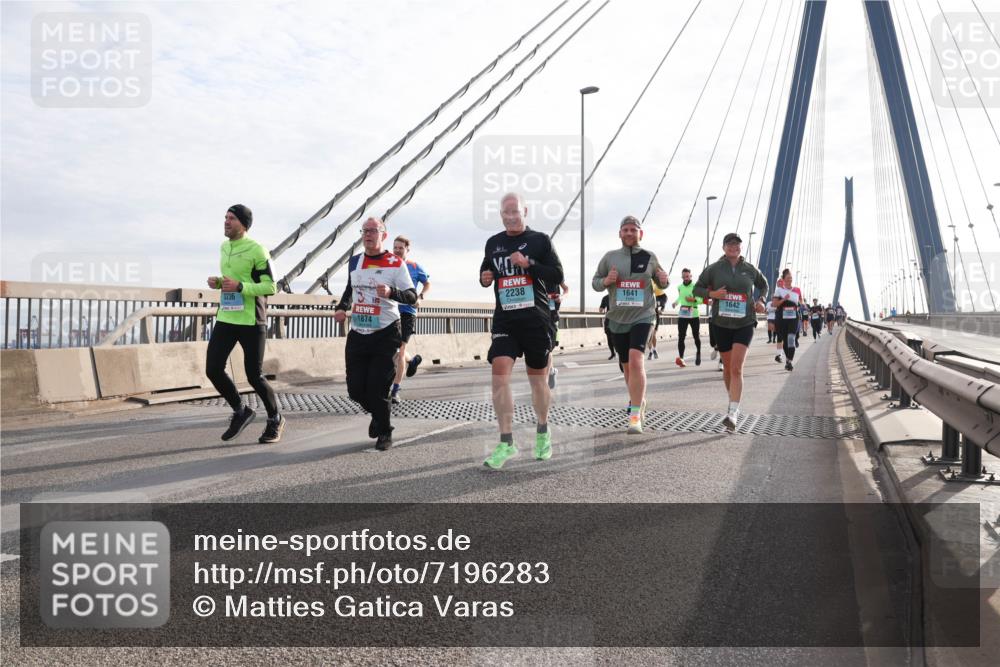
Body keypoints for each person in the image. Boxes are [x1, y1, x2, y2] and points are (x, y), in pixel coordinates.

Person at [480, 193, 564, 469]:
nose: (511, 216)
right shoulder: (493, 243)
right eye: (506, 213)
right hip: (505, 321)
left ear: (525, 211)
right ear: (501, 214)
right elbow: (485, 271)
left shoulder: (540, 240)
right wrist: (484, 277)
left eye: (515, 212)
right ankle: (506, 442)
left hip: (535, 320)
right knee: (499, 375)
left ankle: (543, 430)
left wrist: (529, 265)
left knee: (537, 381)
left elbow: (557, 275)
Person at [334, 217, 417, 451]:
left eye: (373, 231)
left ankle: (385, 431)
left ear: (384, 235)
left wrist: (392, 292)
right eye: (365, 231)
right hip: (359, 331)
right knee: (355, 389)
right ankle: (379, 415)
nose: (368, 235)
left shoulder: (395, 263)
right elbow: (350, 289)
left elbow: (412, 296)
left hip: (385, 332)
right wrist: (341, 307)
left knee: (378, 387)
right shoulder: (355, 262)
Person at [205, 204, 285, 444]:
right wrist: (219, 282)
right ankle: (241, 411)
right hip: (227, 317)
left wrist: (241, 287)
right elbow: (234, 280)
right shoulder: (224, 246)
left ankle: (275, 419)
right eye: (225, 217)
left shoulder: (257, 250)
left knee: (254, 376)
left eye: (231, 218)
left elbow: (271, 286)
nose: (226, 222)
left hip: (251, 320)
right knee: (213, 369)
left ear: (243, 224)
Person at [592, 215, 669, 434]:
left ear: (640, 234)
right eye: (625, 230)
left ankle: (635, 415)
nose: (628, 233)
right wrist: (607, 281)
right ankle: (639, 400)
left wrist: (664, 280)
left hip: (643, 315)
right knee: (626, 367)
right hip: (617, 319)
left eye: (633, 230)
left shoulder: (649, 257)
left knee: (636, 361)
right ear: (619, 233)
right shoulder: (610, 258)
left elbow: (662, 280)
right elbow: (596, 283)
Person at [693, 232, 768, 432]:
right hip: (721, 323)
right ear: (724, 247)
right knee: (727, 368)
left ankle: (733, 412)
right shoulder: (714, 269)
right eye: (729, 244)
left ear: (740, 247)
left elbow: (764, 285)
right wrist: (712, 294)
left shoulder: (750, 270)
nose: (733, 247)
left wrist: (761, 301)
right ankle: (732, 399)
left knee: (736, 368)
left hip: (745, 322)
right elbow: (696, 289)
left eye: (737, 244)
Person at [389, 236, 431, 405]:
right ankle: (412, 361)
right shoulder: (389, 264)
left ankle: (395, 390)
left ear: (407, 249)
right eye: (395, 247)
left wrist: (420, 296)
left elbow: (427, 283)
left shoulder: (414, 267)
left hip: (407, 312)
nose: (397, 250)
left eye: (400, 248)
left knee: (400, 348)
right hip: (390, 311)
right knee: (393, 347)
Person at [672, 267, 704, 367]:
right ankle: (681, 358)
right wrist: (676, 303)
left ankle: (698, 353)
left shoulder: (696, 286)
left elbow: (701, 300)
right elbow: (680, 297)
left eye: (688, 276)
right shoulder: (680, 287)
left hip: (693, 314)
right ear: (682, 276)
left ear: (690, 276)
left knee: (696, 336)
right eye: (684, 276)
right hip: (683, 314)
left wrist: (693, 300)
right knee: (681, 337)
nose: (686, 278)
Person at [773, 269, 801, 371]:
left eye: (791, 278)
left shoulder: (797, 290)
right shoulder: (779, 290)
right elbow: (775, 304)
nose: (790, 280)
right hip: (782, 318)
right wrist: (784, 299)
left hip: (793, 318)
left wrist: (801, 304)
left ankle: (790, 361)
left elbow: (800, 302)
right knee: (785, 340)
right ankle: (788, 361)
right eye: (788, 278)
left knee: (791, 339)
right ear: (783, 279)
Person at [546, 282, 569, 388]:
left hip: (552, 315)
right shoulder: (531, 270)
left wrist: (562, 297)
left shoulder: (554, 269)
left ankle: (547, 377)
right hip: (535, 314)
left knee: (547, 347)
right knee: (544, 347)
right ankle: (550, 371)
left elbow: (566, 289)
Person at [599, 294, 615, 360]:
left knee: (615, 337)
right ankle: (613, 353)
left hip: (617, 320)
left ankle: (615, 352)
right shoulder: (606, 297)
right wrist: (601, 309)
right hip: (610, 320)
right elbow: (601, 309)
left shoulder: (620, 295)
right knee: (609, 337)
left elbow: (601, 310)